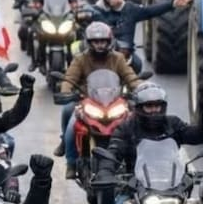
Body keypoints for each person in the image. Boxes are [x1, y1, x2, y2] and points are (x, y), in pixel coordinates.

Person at [57, 22, 141, 177]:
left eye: (103, 41)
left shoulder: (118, 58)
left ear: (109, 41)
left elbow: (130, 76)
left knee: (134, 124)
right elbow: (69, 79)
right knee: (69, 120)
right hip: (86, 100)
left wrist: (140, 89)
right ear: (89, 43)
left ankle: (133, 161)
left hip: (114, 101)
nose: (100, 45)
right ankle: (71, 161)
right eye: (96, 41)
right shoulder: (80, 59)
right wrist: (66, 91)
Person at [90, 0, 191, 73]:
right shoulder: (96, 12)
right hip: (100, 55)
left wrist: (172, 3)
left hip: (125, 56)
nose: (119, 1)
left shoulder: (130, 9)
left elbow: (150, 11)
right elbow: (83, 13)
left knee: (137, 64)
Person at [25, 0, 78, 72]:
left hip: (63, 15)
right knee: (31, 31)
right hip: (47, 14)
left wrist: (75, 7)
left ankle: (78, 63)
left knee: (79, 32)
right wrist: (35, 6)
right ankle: (35, 62)